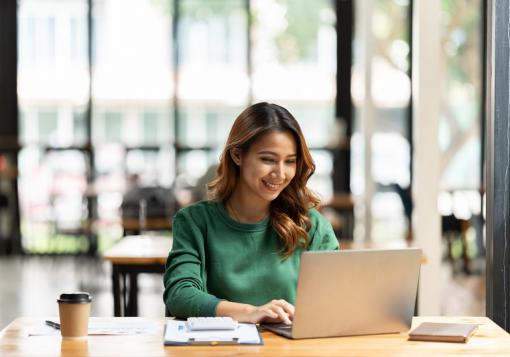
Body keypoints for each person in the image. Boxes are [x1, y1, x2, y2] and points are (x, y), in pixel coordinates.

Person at [163, 102, 339, 325]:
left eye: (290, 161)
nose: (280, 173)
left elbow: (335, 301)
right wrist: (249, 312)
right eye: (268, 159)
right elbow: (180, 294)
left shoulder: (312, 225)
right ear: (237, 156)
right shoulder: (194, 222)